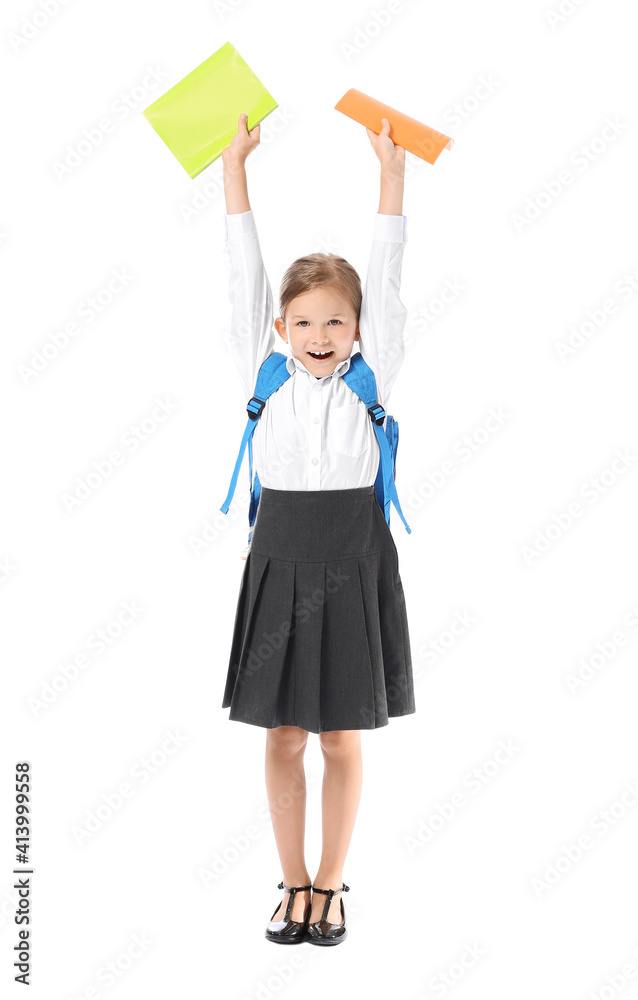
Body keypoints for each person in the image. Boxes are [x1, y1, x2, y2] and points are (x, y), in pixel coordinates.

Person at [219, 112, 416, 945]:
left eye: (336, 321)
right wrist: (235, 169)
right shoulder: (263, 372)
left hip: (354, 558)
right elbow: (242, 273)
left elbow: (389, 270)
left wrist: (391, 179)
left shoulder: (374, 372)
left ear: (360, 327)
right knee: (282, 732)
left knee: (340, 734)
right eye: (304, 322)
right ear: (279, 328)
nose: (321, 337)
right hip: (280, 559)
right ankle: (291, 882)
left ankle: (331, 886)